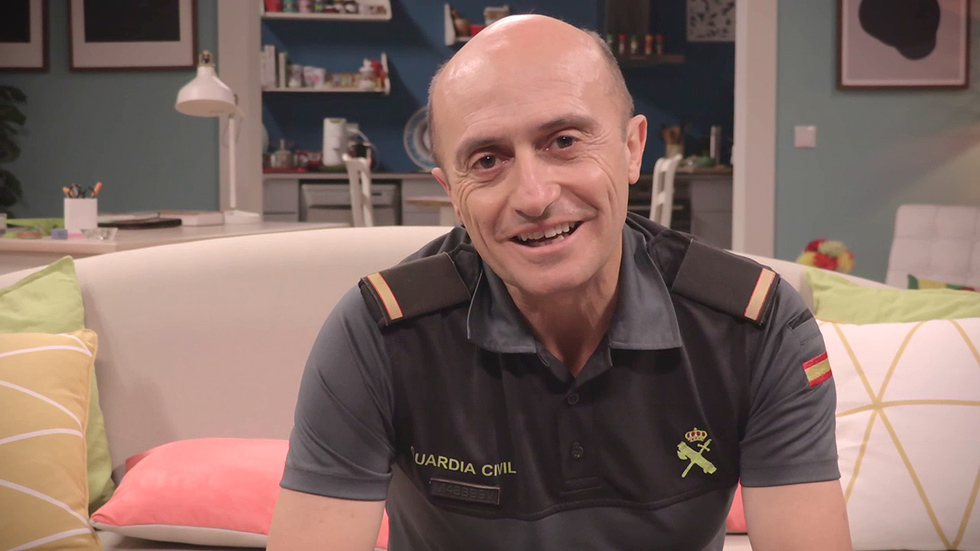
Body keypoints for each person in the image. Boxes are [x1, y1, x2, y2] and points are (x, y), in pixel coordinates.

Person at [268, 14, 852, 551]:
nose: (534, 196)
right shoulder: (378, 333)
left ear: (632, 149)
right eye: (488, 160)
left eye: (564, 142)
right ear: (453, 194)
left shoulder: (758, 326)